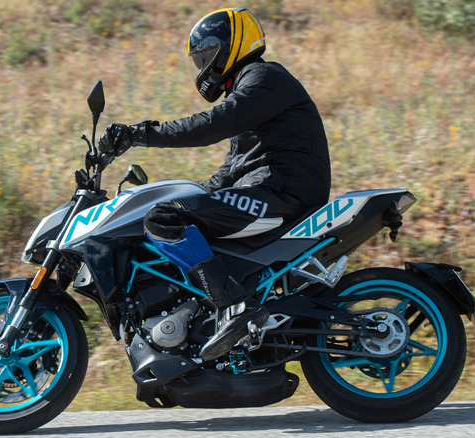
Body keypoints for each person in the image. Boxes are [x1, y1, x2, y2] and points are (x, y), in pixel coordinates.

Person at [98, 7, 331, 361]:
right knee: (175, 211)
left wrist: (138, 134)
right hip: (270, 189)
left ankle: (236, 304)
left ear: (230, 47)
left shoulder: (264, 77)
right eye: (199, 59)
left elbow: (211, 125)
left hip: (282, 192)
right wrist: (193, 194)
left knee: (163, 219)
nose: (203, 65)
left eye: (206, 55)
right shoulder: (249, 90)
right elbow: (233, 169)